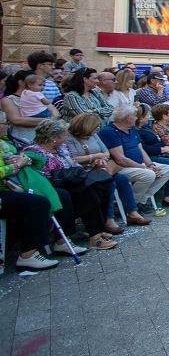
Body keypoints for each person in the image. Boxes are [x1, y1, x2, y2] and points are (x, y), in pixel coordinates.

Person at [26, 118, 116, 250]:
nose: (67, 136)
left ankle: (96, 232)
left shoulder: (61, 147)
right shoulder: (34, 151)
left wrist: (93, 164)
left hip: (68, 181)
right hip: (50, 185)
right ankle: (91, 237)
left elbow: (73, 164)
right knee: (84, 191)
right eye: (64, 134)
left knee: (96, 185)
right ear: (54, 137)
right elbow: (40, 177)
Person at [65, 113, 150, 231]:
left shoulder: (93, 136)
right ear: (86, 126)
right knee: (110, 183)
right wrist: (93, 157)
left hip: (100, 168)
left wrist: (101, 158)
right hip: (82, 172)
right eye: (95, 127)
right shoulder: (68, 139)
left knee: (122, 180)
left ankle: (132, 212)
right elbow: (69, 158)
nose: (97, 130)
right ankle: (108, 219)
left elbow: (105, 152)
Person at [0, 111, 62, 270]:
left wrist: (26, 159)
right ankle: (28, 254)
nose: (8, 126)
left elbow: (37, 163)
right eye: (5, 123)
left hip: (16, 185)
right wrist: (16, 165)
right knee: (39, 203)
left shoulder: (8, 142)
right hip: (4, 190)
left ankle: (62, 241)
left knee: (55, 195)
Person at [98, 105, 169, 216]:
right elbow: (120, 159)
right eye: (134, 116)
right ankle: (131, 205)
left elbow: (141, 150)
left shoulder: (131, 129)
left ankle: (141, 200)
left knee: (167, 169)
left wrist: (151, 164)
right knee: (148, 175)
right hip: (122, 168)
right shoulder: (109, 132)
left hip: (139, 165)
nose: (136, 118)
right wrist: (144, 167)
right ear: (127, 117)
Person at [2, 70, 58, 145]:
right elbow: (16, 120)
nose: (42, 86)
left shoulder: (39, 96)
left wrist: (51, 119)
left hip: (44, 137)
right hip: (23, 138)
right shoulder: (9, 100)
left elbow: (55, 112)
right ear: (21, 82)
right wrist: (48, 120)